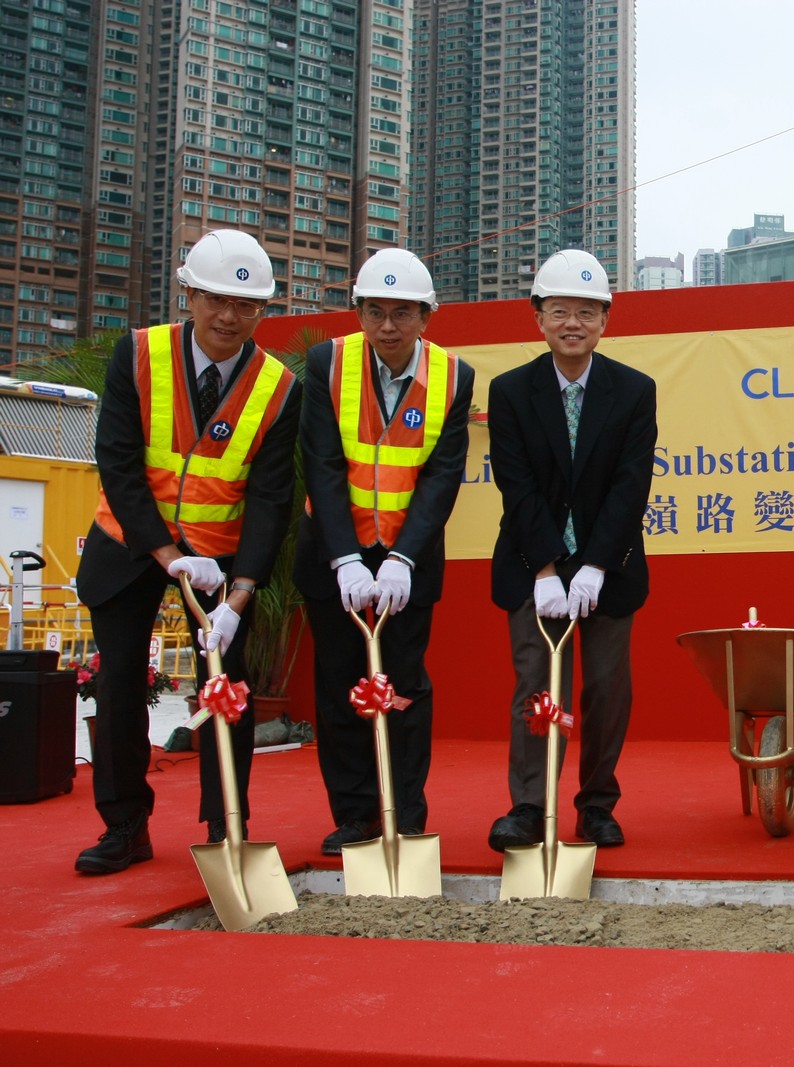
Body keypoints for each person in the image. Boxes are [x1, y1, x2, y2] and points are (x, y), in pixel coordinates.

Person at [73, 229, 301, 873]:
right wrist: (169, 555)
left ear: (264, 310)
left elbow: (270, 498)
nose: (229, 316)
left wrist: (241, 591)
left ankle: (227, 823)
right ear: (188, 295)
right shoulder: (138, 356)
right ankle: (123, 826)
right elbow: (118, 465)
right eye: (214, 299)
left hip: (225, 560)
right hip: (131, 546)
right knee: (117, 684)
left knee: (226, 688)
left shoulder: (278, 388)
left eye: (246, 304)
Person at [295, 248, 474, 855]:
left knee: (405, 688)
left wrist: (403, 559)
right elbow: (320, 464)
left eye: (404, 313)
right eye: (376, 312)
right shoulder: (326, 364)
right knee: (340, 685)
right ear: (359, 312)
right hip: (334, 559)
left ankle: (406, 811)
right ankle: (353, 815)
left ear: (428, 315)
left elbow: (442, 477)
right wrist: (344, 557)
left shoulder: (454, 376)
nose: (389, 327)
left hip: (408, 562)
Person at [485, 249, 656, 852]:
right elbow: (517, 485)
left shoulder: (635, 391)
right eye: (560, 310)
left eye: (588, 312)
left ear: (606, 320)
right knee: (537, 683)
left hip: (609, 569)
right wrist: (550, 568)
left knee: (607, 689)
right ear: (539, 317)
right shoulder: (510, 392)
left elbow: (630, 486)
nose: (573, 323)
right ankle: (529, 806)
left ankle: (597, 804)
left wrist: (594, 566)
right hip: (535, 569)